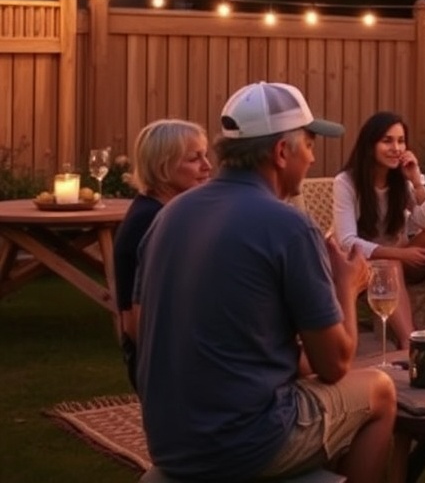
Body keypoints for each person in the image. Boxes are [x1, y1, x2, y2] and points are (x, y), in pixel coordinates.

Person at [134, 82, 395, 481]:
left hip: (169, 439)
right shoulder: (289, 226)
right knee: (379, 390)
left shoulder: (169, 216)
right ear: (280, 152)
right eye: (309, 144)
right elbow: (335, 365)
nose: (312, 157)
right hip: (245, 444)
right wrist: (347, 283)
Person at [334, 110, 425, 349]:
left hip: (403, 257)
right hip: (362, 266)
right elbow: (347, 242)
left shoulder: (402, 179)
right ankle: (409, 342)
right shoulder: (346, 182)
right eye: (387, 141)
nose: (396, 148)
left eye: (401, 141)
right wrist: (399, 254)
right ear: (370, 145)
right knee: (389, 264)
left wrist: (415, 180)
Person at [113, 119, 212, 389]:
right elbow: (135, 324)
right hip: (165, 369)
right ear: (162, 167)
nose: (207, 166)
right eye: (194, 158)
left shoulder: (169, 212)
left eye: (205, 155)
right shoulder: (149, 222)